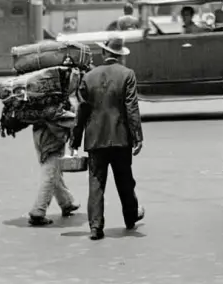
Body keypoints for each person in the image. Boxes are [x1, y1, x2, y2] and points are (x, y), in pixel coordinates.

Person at [71, 36, 144, 241]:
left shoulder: (89, 77)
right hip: (120, 138)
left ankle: (95, 227)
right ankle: (130, 217)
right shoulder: (127, 75)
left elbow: (82, 112)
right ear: (120, 55)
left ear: (104, 53)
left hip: (95, 139)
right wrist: (137, 137)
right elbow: (132, 108)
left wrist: (75, 141)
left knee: (96, 183)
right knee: (125, 181)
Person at [27, 107, 80, 227]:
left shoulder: (39, 103)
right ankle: (38, 211)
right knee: (50, 172)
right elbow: (69, 119)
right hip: (52, 136)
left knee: (52, 168)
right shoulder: (57, 101)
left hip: (39, 132)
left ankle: (66, 202)